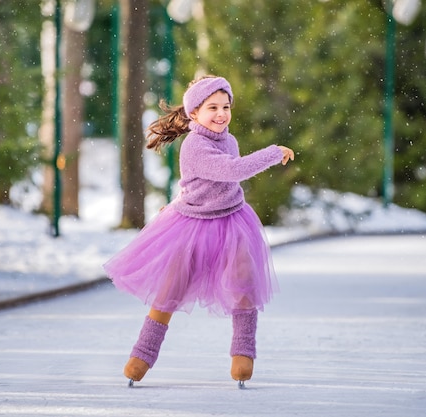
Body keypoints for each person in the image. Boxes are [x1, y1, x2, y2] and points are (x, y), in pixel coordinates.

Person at [103, 75, 295, 388]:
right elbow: (233, 170)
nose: (221, 114)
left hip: (232, 219)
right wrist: (273, 153)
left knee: (244, 279)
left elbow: (208, 182)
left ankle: (243, 353)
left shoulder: (228, 139)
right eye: (212, 108)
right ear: (194, 113)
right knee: (172, 289)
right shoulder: (194, 145)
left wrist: (179, 196)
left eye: (226, 106)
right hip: (193, 224)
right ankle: (143, 354)